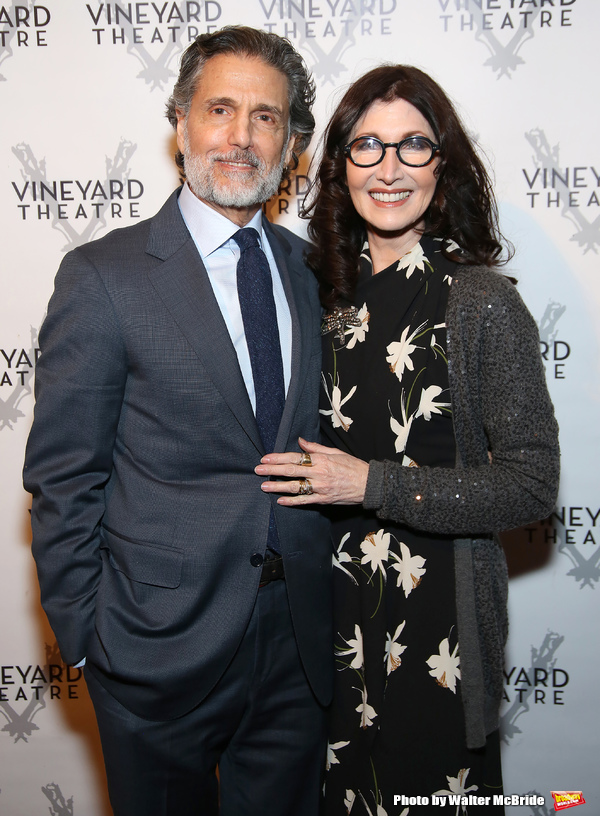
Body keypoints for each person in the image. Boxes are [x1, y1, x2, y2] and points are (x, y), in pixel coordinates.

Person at [23, 26, 332, 816]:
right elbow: (64, 478)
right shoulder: (104, 277)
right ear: (182, 124)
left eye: (266, 117)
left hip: (297, 648)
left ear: (292, 142)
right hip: (154, 650)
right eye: (220, 109)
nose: (240, 135)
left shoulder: (314, 273)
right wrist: (90, 642)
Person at [255, 65, 560, 814]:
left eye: (413, 146)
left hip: (437, 641)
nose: (389, 169)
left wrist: (371, 485)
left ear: (443, 163)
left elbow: (531, 483)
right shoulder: (312, 297)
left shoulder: (482, 302)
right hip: (320, 637)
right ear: (339, 167)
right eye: (367, 147)